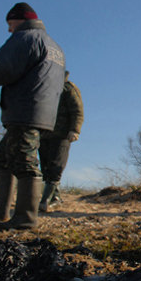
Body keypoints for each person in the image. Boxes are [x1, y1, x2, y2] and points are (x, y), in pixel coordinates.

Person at [0, 2, 65, 230]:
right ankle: (0, 209)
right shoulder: (54, 46)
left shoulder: (25, 38)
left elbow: (2, 70)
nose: (9, 30)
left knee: (24, 160)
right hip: (41, 110)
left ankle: (25, 219)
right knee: (3, 158)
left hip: (24, 109)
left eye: (10, 24)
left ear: (19, 19)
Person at [38, 70, 84, 212]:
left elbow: (77, 110)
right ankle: (55, 199)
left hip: (62, 135)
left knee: (56, 166)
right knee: (45, 167)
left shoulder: (68, 88)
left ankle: (46, 200)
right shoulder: (44, 88)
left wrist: (75, 130)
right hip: (43, 133)